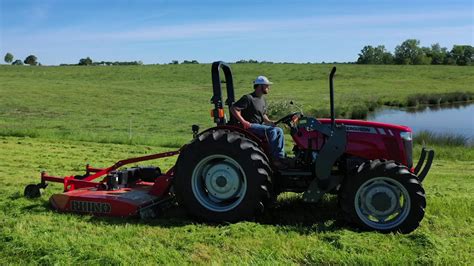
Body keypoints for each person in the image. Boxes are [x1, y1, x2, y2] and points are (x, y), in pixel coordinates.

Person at [230, 76, 287, 169]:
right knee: (272, 131)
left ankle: (280, 157)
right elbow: (234, 108)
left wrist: (269, 122)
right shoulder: (248, 98)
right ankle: (273, 159)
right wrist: (243, 121)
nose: (269, 88)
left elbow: (263, 115)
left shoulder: (263, 100)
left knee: (279, 130)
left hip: (260, 125)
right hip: (250, 125)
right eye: (267, 86)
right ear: (260, 86)